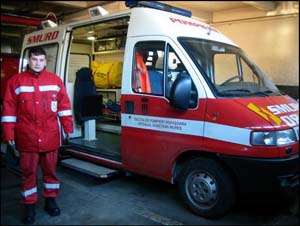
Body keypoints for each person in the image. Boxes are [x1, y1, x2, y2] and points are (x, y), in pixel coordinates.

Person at [1, 47, 74, 224]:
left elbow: (64, 106)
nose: (38, 63)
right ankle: (29, 206)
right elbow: (9, 109)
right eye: (34, 59)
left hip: (50, 136)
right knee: (28, 173)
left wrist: (68, 128)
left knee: (50, 172)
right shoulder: (16, 82)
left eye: (41, 60)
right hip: (27, 136)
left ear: (45, 61)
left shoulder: (55, 81)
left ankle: (51, 200)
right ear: (28, 59)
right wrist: (8, 132)